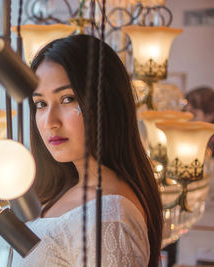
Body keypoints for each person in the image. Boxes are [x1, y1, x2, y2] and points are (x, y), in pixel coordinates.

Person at [11, 35, 163, 266]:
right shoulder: (64, 188)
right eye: (41, 103)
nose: (50, 121)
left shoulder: (110, 217)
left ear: (106, 103)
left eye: (67, 99)